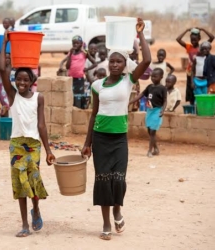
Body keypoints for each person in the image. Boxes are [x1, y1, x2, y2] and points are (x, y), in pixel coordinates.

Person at [81, 18, 151, 241]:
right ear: (107, 63)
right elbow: (93, 115)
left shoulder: (128, 81)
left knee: (118, 179)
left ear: (124, 65)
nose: (114, 65)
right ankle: (105, 222)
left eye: (119, 62)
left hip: (119, 139)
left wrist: (140, 33)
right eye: (112, 61)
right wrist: (87, 143)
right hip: (100, 138)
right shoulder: (97, 85)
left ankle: (118, 210)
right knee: (103, 180)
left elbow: (147, 60)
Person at [0, 31, 55, 238]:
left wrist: (49, 150)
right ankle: (24, 224)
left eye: (25, 79)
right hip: (16, 144)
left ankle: (36, 209)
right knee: (19, 183)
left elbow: (41, 125)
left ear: (32, 81)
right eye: (18, 79)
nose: (21, 82)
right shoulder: (13, 96)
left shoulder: (38, 98)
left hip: (34, 145)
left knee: (32, 181)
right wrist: (5, 43)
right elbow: (2, 69)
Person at [130, 68, 167, 157]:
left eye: (155, 76)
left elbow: (165, 101)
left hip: (157, 111)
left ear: (161, 77)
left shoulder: (162, 88)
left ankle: (150, 151)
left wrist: (162, 111)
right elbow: (141, 94)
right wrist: (131, 101)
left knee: (153, 132)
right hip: (149, 111)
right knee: (150, 132)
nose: (153, 78)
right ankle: (156, 149)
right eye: (152, 76)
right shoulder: (150, 87)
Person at [176, 27, 214, 104]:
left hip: (201, 73)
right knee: (191, 90)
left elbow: (212, 37)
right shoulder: (189, 47)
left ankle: (201, 105)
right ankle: (192, 105)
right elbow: (178, 39)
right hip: (190, 72)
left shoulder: (202, 47)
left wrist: (203, 29)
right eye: (191, 39)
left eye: (195, 39)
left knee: (203, 89)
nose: (193, 41)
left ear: (199, 39)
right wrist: (186, 30)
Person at [60, 35, 97, 109]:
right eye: (74, 43)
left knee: (79, 96)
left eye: (77, 43)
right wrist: (70, 54)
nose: (75, 45)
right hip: (71, 78)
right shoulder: (71, 53)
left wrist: (86, 69)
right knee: (72, 95)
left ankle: (79, 109)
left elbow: (95, 63)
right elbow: (67, 66)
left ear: (81, 44)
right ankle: (74, 109)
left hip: (80, 79)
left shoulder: (84, 53)